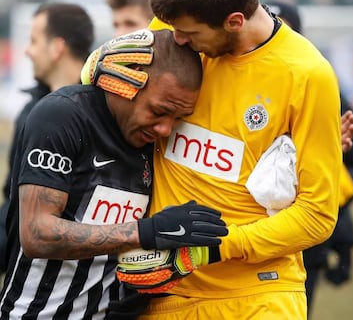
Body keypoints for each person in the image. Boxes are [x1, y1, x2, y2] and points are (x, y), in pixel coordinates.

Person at [120, 0, 343, 319]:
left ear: (234, 21)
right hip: (165, 292)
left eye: (189, 33)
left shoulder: (307, 74)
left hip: (260, 294)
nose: (177, 41)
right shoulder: (173, 29)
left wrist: (218, 246)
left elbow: (317, 215)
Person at [0, 28, 228, 319]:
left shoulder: (153, 142)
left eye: (178, 119)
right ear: (125, 83)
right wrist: (148, 232)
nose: (165, 129)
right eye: (159, 111)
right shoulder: (63, 116)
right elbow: (37, 234)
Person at [267, 0, 353, 316]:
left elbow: (344, 170)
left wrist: (344, 243)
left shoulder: (322, 86)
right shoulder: (241, 84)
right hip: (253, 239)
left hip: (306, 242)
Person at [0, 2, 95, 275]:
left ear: (57, 48)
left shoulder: (102, 113)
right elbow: (12, 201)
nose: (27, 50)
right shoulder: (29, 112)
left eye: (33, 41)